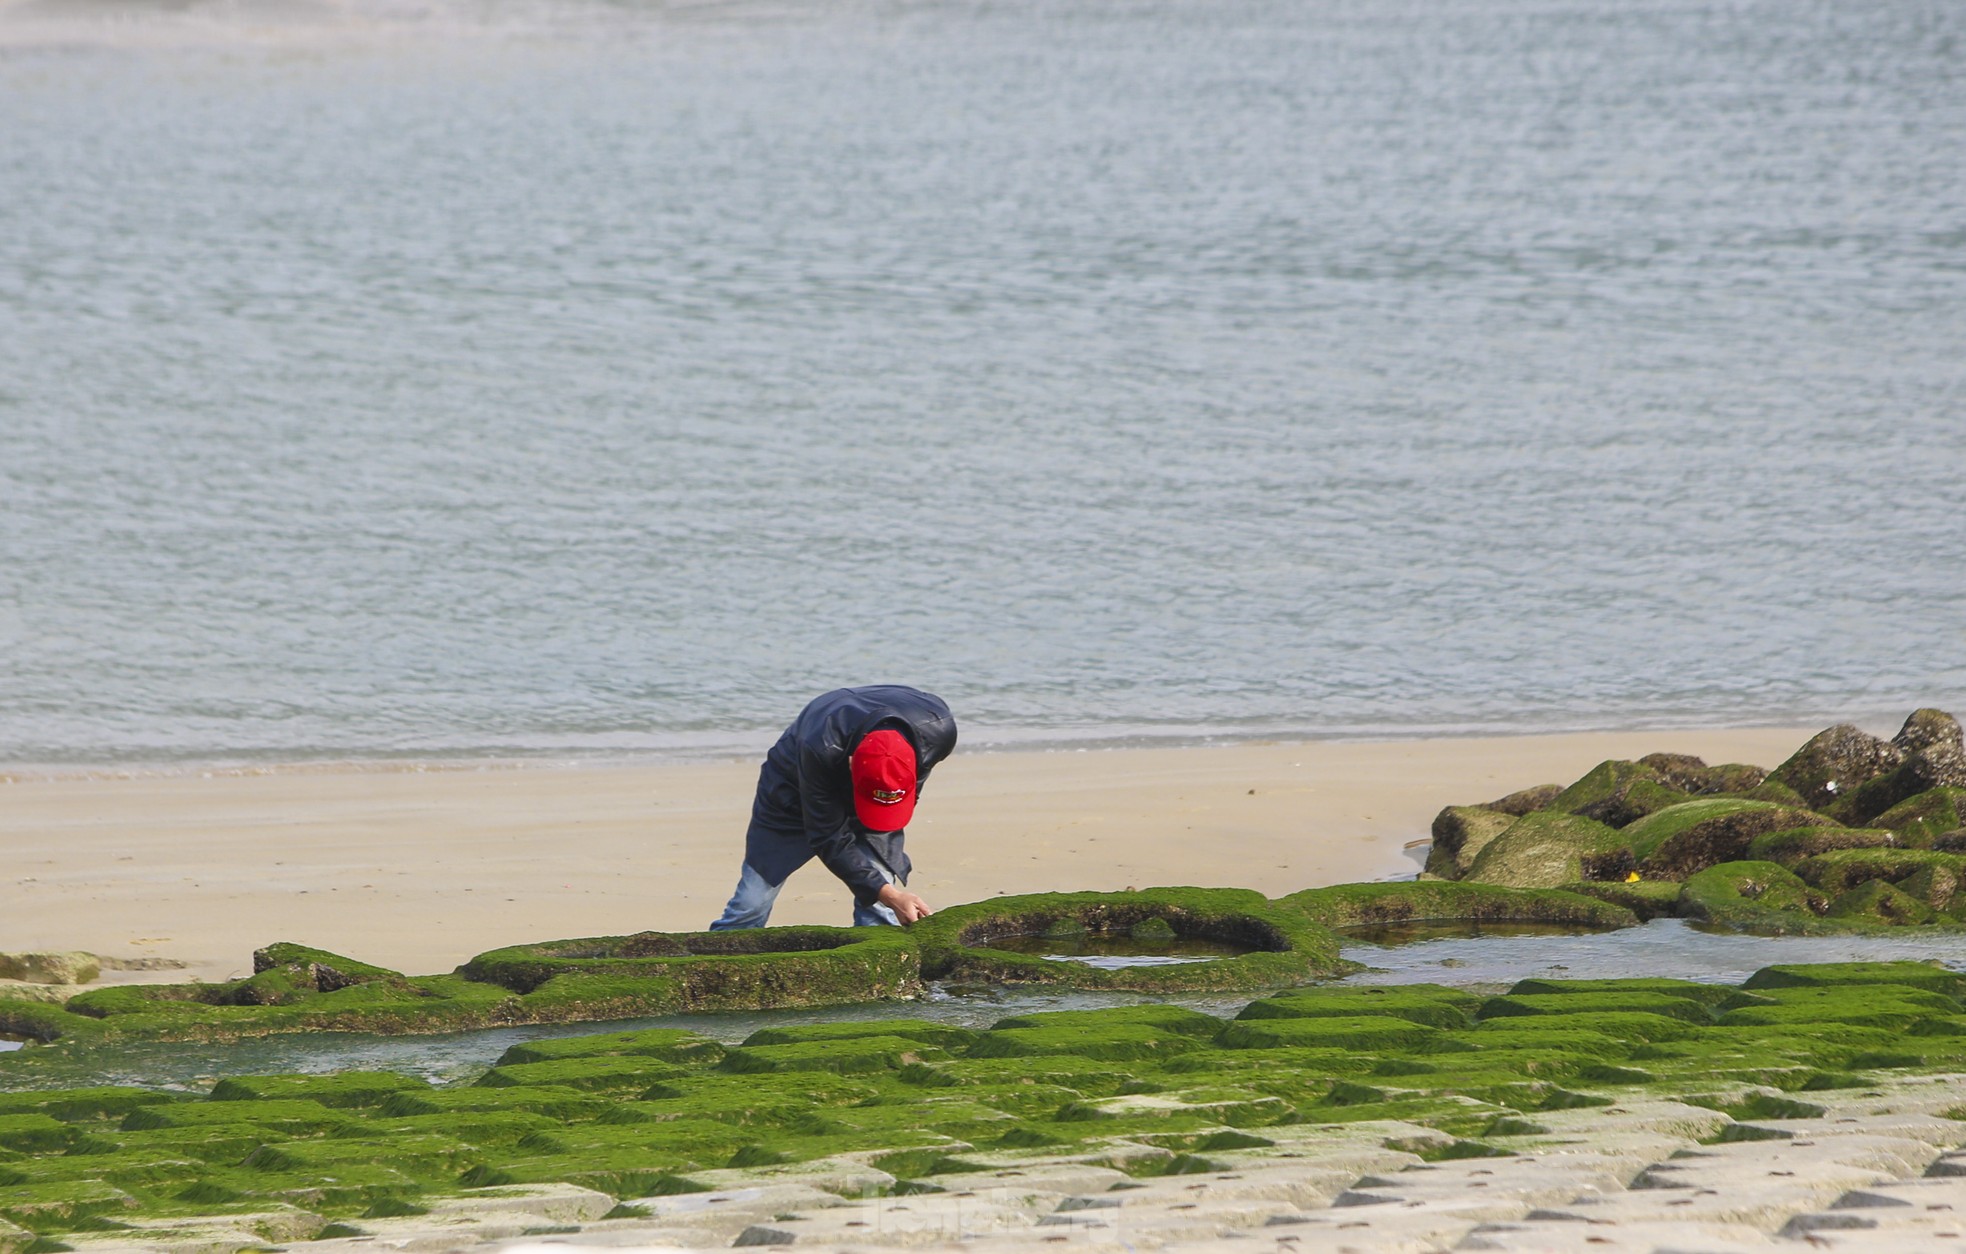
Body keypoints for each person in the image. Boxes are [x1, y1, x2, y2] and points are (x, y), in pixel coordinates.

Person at [708, 685, 957, 929]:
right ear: (849, 763)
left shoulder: (938, 730)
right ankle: (717, 957)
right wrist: (892, 896)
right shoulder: (820, 746)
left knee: (880, 903)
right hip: (792, 790)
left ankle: (875, 954)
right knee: (751, 902)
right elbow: (827, 836)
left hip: (883, 783)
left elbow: (914, 785)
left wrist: (885, 894)